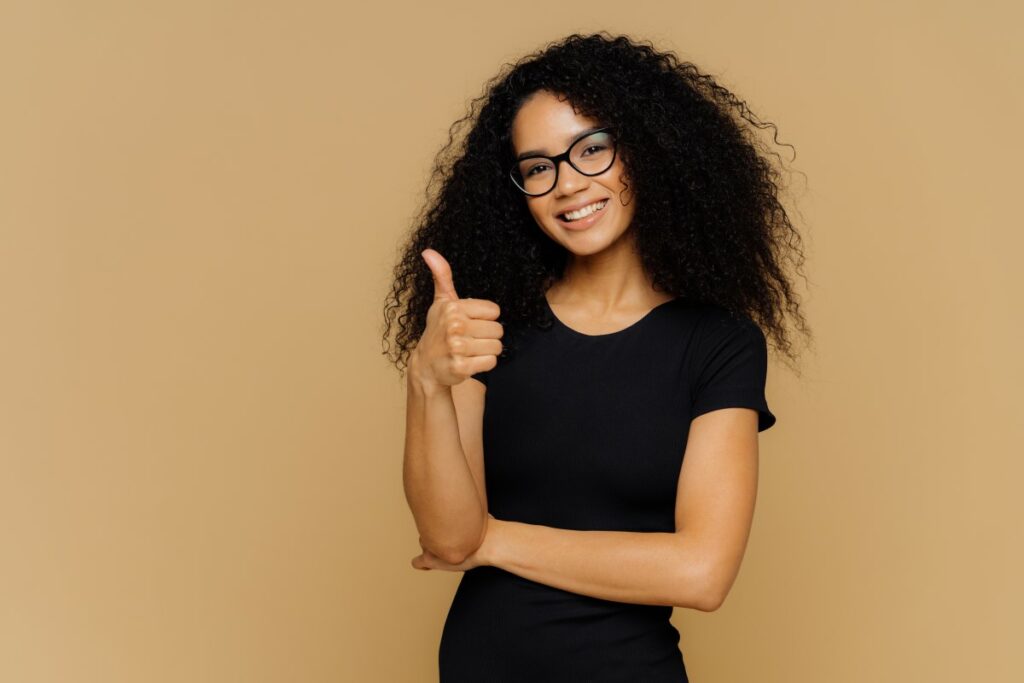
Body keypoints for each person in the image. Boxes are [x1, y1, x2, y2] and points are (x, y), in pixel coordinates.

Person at [383, 31, 810, 682]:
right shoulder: (488, 325)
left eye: (591, 149)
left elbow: (701, 572)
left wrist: (494, 539)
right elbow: (446, 537)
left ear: (643, 147)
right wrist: (427, 381)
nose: (566, 184)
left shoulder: (718, 344)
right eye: (537, 167)